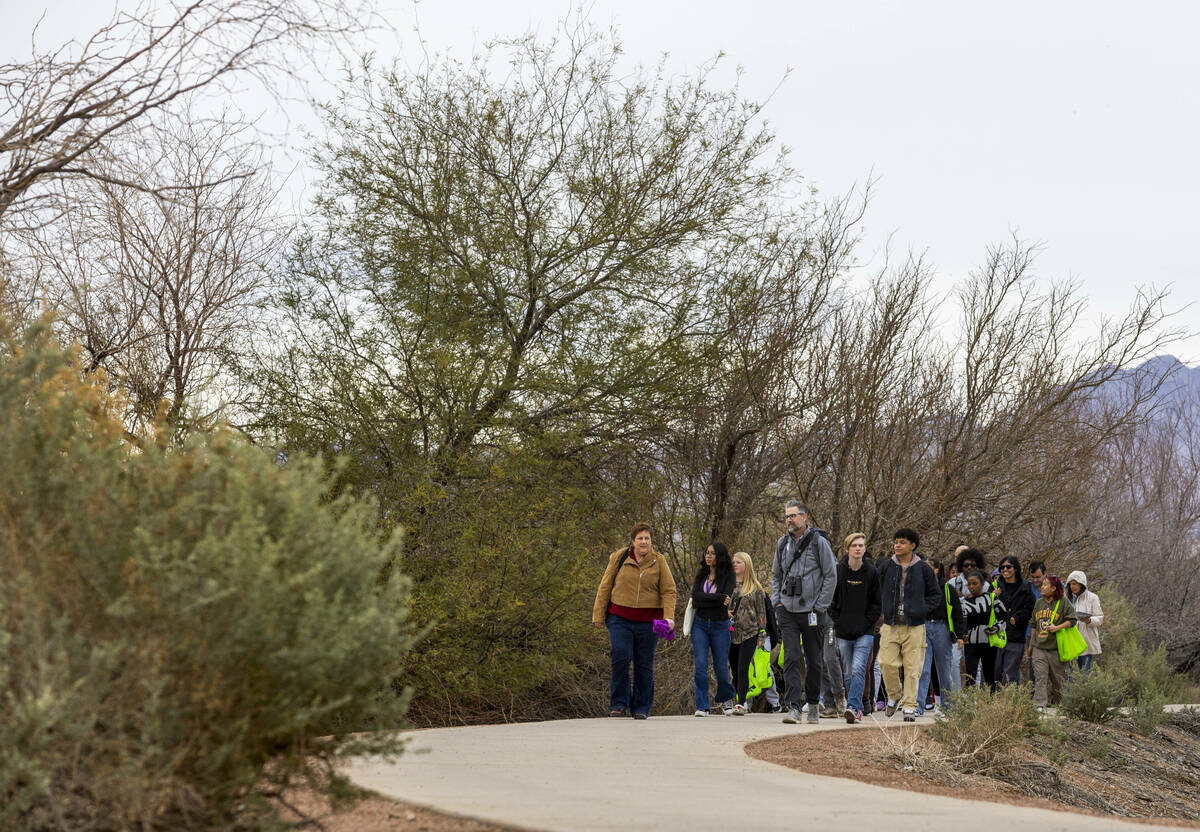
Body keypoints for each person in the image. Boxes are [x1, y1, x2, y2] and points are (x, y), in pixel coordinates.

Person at [592, 523, 677, 719]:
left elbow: (668, 590)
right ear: (633, 541)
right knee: (620, 656)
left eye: (647, 538)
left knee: (644, 663)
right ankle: (619, 704)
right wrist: (598, 614)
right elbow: (605, 586)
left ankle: (641, 707)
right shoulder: (619, 557)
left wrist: (669, 617)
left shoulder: (659, 561)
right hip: (619, 619)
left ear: (651, 541)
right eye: (640, 538)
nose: (644, 542)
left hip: (649, 622)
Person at [771, 500, 837, 724]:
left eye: (793, 515)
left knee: (814, 660)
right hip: (787, 610)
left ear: (804, 517)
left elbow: (830, 575)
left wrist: (820, 606)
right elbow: (776, 575)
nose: (789, 519)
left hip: (811, 611)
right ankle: (793, 707)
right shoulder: (782, 544)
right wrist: (777, 602)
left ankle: (813, 703)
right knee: (790, 657)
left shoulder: (819, 543)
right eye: (787, 516)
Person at [875, 528, 940, 722]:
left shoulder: (924, 569)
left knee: (913, 668)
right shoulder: (886, 567)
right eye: (896, 541)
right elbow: (875, 591)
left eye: (902, 542)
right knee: (885, 662)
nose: (897, 545)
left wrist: (921, 609)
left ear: (913, 545)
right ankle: (894, 695)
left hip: (915, 626)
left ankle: (910, 706)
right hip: (890, 624)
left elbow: (935, 596)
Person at [829, 532, 881, 723]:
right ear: (847, 549)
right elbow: (831, 601)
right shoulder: (838, 571)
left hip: (865, 632)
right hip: (843, 631)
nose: (858, 548)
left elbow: (877, 603)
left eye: (861, 545)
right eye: (854, 545)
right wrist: (838, 621)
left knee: (860, 669)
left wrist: (868, 623)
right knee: (848, 672)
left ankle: (852, 707)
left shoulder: (872, 572)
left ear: (865, 549)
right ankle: (856, 706)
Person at [688, 541, 737, 716]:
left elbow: (726, 597)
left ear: (720, 556)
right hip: (700, 624)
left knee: (721, 666)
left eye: (712, 553)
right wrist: (716, 598)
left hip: (720, 625)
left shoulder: (729, 576)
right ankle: (702, 706)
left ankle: (726, 699)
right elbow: (695, 598)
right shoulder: (702, 574)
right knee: (700, 665)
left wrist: (707, 598)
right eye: (706, 552)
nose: (708, 556)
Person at [728, 551, 775, 715]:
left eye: (738, 562)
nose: (735, 564)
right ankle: (736, 698)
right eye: (733, 562)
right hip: (731, 633)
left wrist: (762, 634)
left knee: (743, 668)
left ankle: (741, 703)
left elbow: (762, 613)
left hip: (750, 633)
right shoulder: (727, 585)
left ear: (746, 565)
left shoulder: (756, 588)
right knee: (734, 668)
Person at [917, 558, 965, 714]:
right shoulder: (919, 588)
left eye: (928, 567)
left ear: (937, 570)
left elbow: (957, 612)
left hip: (941, 628)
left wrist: (959, 635)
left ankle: (946, 705)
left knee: (944, 668)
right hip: (923, 627)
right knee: (922, 668)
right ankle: (918, 706)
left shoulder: (947, 589)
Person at [1028, 575, 1078, 711]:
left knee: (1059, 679)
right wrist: (1030, 645)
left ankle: (1060, 703)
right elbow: (1033, 625)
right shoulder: (1039, 603)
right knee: (1040, 676)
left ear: (1054, 588)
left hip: (1056, 648)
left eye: (1045, 585)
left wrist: (1057, 627)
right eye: (1042, 585)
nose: (1042, 587)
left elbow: (1072, 620)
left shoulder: (1063, 602)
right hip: (1039, 646)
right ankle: (1040, 704)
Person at [958, 568, 1004, 690]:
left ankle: (991, 703)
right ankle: (971, 703)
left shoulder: (992, 598)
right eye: (969, 584)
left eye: (975, 583)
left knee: (990, 674)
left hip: (988, 641)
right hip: (971, 643)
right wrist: (962, 633)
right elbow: (961, 622)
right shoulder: (963, 602)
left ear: (983, 584)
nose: (971, 587)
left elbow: (1003, 617)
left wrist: (996, 628)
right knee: (970, 674)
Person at [993, 556, 1035, 684]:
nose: (1005, 569)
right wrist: (994, 597)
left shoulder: (1025, 588)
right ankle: (996, 702)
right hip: (996, 635)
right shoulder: (995, 586)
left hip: (1015, 636)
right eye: (1002, 567)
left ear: (1016, 569)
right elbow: (988, 608)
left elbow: (1030, 609)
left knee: (1009, 675)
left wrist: (1017, 618)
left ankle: (1006, 703)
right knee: (995, 674)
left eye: (1008, 567)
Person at [1066, 570, 1104, 673]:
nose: (1072, 586)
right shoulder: (1066, 599)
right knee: (1070, 675)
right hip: (1070, 641)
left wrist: (1089, 620)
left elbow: (1100, 618)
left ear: (1081, 584)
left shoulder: (1093, 598)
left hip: (1086, 643)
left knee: (1085, 675)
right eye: (1070, 584)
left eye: (1075, 584)